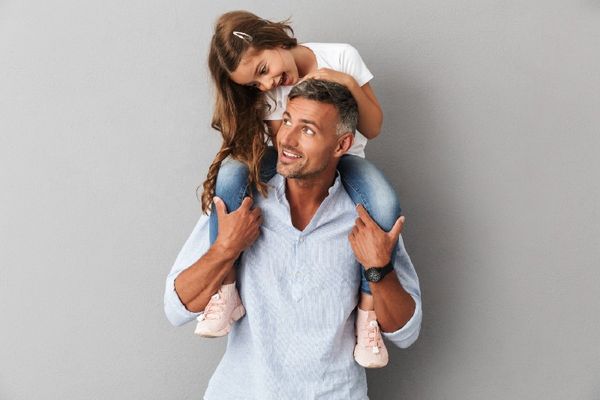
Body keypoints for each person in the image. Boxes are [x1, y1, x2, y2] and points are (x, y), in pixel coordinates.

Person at [165, 79, 422, 399]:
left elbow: (406, 332)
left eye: (308, 130)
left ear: (341, 145)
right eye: (287, 120)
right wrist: (225, 248)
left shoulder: (367, 216)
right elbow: (176, 308)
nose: (286, 138)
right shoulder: (242, 203)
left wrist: (379, 268)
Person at [198, 10, 401, 367]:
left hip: (343, 160)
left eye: (263, 70)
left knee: (384, 202)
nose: (268, 85)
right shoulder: (273, 93)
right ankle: (226, 291)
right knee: (230, 174)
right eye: (256, 85)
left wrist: (346, 82)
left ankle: (368, 316)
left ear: (273, 39)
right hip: (292, 161)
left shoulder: (340, 56)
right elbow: (288, 147)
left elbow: (374, 126)